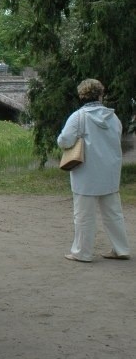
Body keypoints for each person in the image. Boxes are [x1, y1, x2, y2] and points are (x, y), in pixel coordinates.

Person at [57, 78, 130, 263]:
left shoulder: (78, 117)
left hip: (86, 173)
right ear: (100, 94)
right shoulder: (113, 117)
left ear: (81, 95)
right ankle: (121, 249)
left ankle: (83, 253)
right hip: (110, 172)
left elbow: (64, 140)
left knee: (83, 215)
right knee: (113, 213)